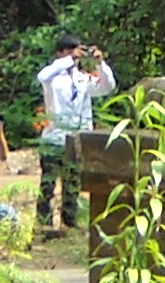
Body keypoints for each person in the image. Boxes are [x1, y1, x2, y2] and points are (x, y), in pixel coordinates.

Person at [32, 35, 119, 237]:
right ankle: (43, 222)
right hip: (54, 137)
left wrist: (100, 63)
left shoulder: (83, 78)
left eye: (77, 50)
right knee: (48, 183)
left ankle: (69, 222)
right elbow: (42, 76)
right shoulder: (52, 77)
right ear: (60, 53)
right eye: (69, 50)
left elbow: (107, 87)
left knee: (72, 183)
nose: (75, 54)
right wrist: (69, 60)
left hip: (77, 137)